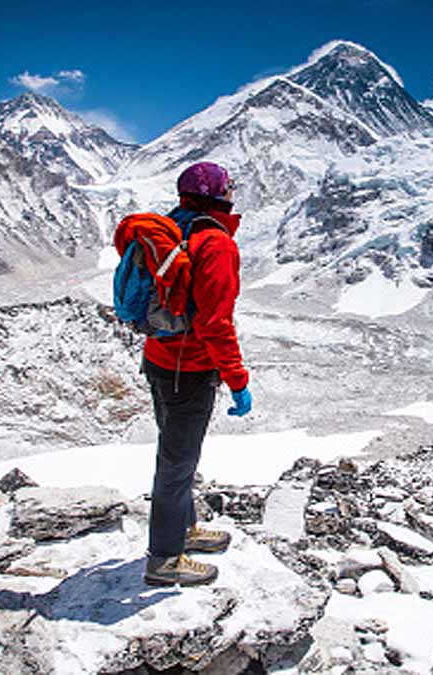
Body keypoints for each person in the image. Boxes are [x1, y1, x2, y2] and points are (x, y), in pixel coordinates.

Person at [142, 161, 252, 587]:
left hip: (159, 360)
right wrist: (237, 380)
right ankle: (165, 559)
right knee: (177, 463)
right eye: (229, 186)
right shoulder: (215, 243)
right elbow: (215, 323)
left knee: (176, 455)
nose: (233, 192)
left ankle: (183, 529)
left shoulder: (173, 230)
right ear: (218, 195)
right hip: (189, 369)